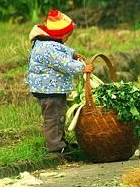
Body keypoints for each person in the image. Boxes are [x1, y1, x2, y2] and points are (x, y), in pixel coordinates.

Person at [25, 10, 93, 156]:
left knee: (58, 116)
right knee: (54, 117)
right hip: (49, 90)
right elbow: (64, 64)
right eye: (66, 36)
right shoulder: (49, 48)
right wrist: (83, 68)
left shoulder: (47, 42)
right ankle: (56, 146)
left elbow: (62, 49)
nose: (67, 39)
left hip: (50, 88)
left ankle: (60, 141)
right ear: (58, 35)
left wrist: (73, 53)